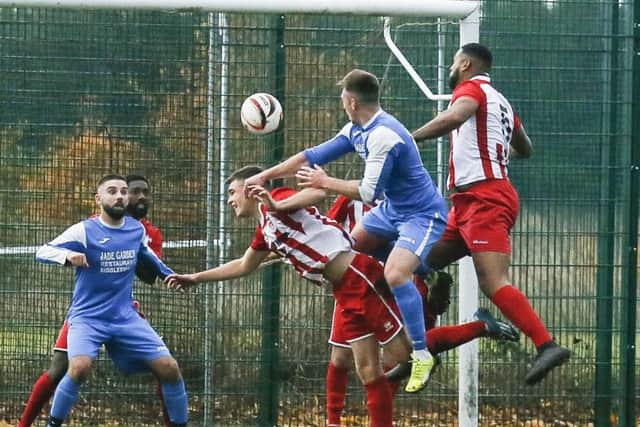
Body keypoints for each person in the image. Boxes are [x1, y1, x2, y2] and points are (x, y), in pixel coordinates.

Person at [244, 69, 448, 393]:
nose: (341, 102)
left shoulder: (384, 136)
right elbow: (310, 156)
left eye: (342, 97)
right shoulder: (357, 128)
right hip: (393, 209)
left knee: (395, 275)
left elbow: (368, 192)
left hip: (422, 214)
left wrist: (324, 182)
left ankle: (422, 353)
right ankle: (428, 273)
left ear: (351, 101)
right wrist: (264, 176)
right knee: (354, 245)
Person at [166, 166, 417, 427]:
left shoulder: (280, 199)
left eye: (232, 192)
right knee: (367, 371)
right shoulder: (264, 231)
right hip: (343, 291)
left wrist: (276, 203)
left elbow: (317, 193)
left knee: (404, 357)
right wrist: (195, 278)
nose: (230, 200)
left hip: (359, 275)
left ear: (251, 189)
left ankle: (435, 342)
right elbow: (243, 265)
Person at [411, 42, 570, 385]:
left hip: (485, 198)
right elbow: (525, 148)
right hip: (470, 201)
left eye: (454, 63)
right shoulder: (502, 101)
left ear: (465, 63)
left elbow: (456, 115)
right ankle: (423, 347)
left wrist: (413, 138)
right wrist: (494, 148)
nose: (451, 69)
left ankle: (547, 345)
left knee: (492, 280)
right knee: (416, 260)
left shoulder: (470, 91)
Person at [323, 195, 519, 426]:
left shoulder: (408, 196)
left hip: (393, 281)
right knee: (341, 356)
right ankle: (333, 421)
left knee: (401, 355)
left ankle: (480, 327)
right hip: (355, 282)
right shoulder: (350, 198)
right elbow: (328, 231)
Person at [34, 174, 188, 427]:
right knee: (79, 367)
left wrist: (169, 275)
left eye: (123, 191)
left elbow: (149, 256)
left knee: (169, 368)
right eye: (112, 191)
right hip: (88, 318)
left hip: (124, 317)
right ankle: (53, 423)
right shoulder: (84, 230)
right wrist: (69, 255)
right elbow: (43, 251)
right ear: (99, 199)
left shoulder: (136, 230)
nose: (119, 196)